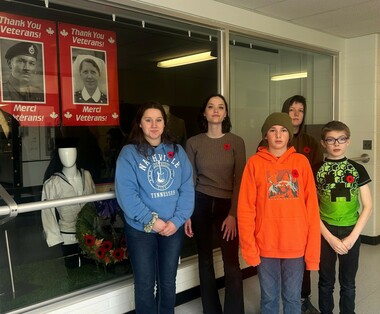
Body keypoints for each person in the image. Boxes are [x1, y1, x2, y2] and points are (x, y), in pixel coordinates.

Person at [115, 101, 194, 314]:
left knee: (168, 282)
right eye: (148, 120)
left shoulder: (176, 151)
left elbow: (187, 189)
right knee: (145, 284)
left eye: (158, 120)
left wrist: (177, 221)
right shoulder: (129, 154)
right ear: (140, 124)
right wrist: (152, 221)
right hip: (141, 231)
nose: (154, 125)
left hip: (172, 229)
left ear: (164, 123)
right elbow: (127, 195)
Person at [238, 112, 320, 314]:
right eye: (272, 130)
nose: (278, 135)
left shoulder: (301, 163)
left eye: (283, 130)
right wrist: (249, 249)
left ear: (289, 135)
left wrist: (312, 253)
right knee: (269, 299)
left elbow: (312, 210)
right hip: (266, 246)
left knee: (293, 299)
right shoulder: (254, 164)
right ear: (265, 135)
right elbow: (246, 209)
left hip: (295, 246)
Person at [185, 94, 245, 314]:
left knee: (231, 263)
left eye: (221, 107)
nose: (216, 110)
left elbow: (240, 181)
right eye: (211, 106)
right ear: (204, 112)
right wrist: (188, 214)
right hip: (200, 203)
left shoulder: (236, 142)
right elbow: (189, 181)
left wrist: (233, 214)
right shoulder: (193, 142)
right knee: (205, 261)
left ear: (226, 113)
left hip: (226, 205)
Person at [315, 121, 372, 314]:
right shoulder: (315, 170)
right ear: (323, 143)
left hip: (351, 231)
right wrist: (330, 238)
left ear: (348, 141)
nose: (336, 143)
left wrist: (352, 238)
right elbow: (311, 209)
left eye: (341, 139)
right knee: (325, 281)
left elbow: (368, 206)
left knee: (348, 283)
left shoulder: (357, 169)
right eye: (331, 140)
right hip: (325, 232)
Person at [41, 138, 96, 268]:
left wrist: (96, 226)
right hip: (67, 235)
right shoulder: (53, 183)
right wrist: (54, 237)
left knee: (89, 268)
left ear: (77, 153)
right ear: (58, 156)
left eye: (71, 152)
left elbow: (94, 203)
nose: (67, 156)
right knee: (72, 269)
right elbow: (47, 213)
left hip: (88, 233)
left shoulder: (86, 175)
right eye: (63, 153)